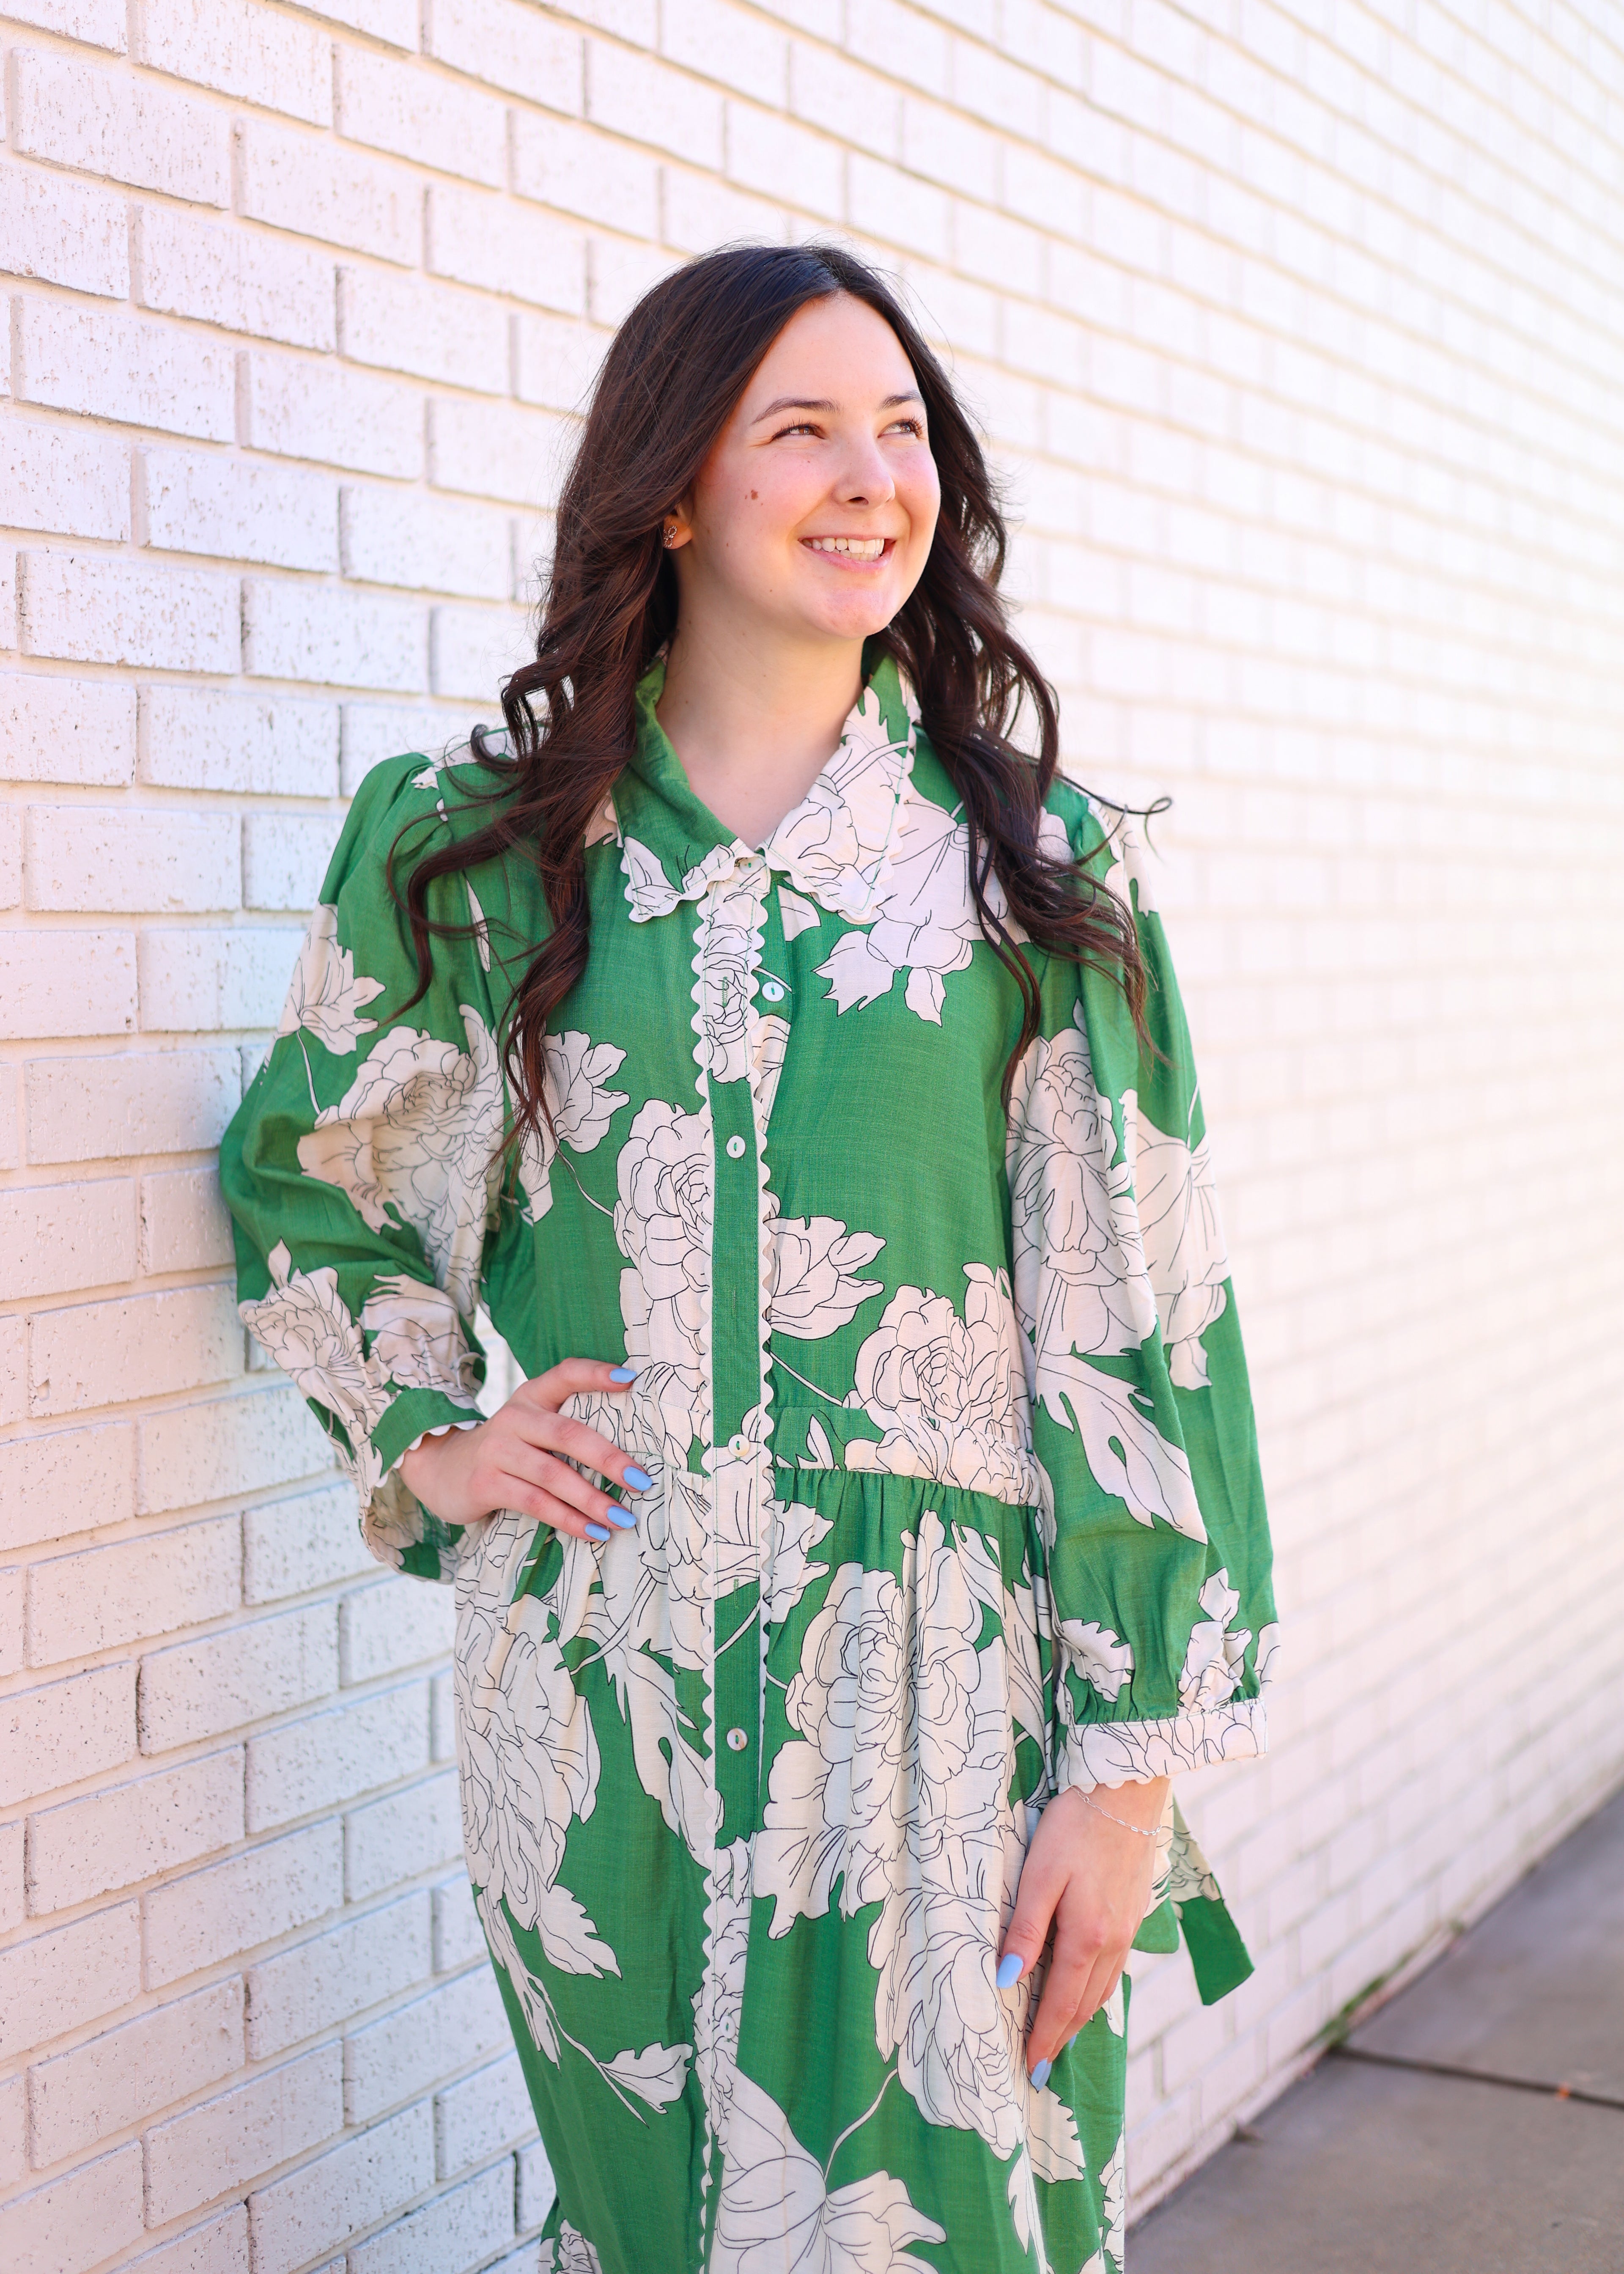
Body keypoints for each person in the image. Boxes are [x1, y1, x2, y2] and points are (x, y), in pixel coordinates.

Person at [220, 241, 1277, 2274]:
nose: (873, 475)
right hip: (596, 1686)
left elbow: (1146, 1335)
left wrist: (1127, 1778)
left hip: (947, 1712)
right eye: (801, 426)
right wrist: (438, 1441)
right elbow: (313, 1175)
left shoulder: (1034, 871)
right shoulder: (482, 846)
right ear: (676, 487)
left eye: (903, 430)